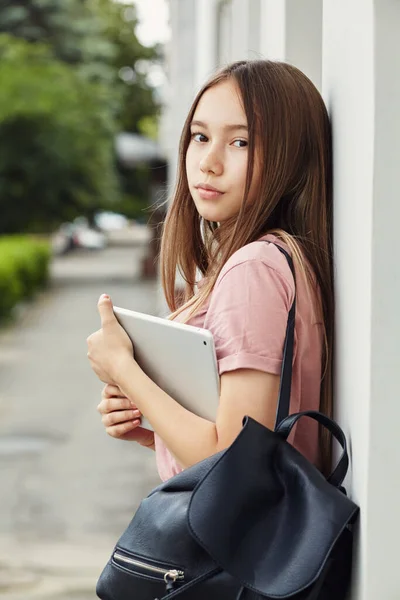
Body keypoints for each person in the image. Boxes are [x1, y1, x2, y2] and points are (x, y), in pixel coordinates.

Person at [87, 59, 333, 480]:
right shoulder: (281, 259)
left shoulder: (255, 269)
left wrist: (124, 368)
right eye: (200, 137)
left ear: (289, 157)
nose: (208, 162)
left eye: (241, 143)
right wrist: (154, 430)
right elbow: (251, 440)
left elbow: (233, 464)